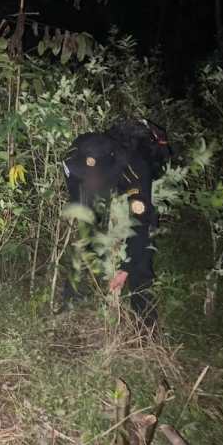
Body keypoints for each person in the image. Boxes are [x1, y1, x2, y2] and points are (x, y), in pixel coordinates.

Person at [61, 119, 171, 328]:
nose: (89, 180)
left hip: (138, 183)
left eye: (94, 176)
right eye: (87, 175)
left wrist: (125, 268)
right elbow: (79, 199)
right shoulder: (74, 157)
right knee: (87, 238)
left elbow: (140, 225)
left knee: (140, 257)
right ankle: (70, 305)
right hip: (108, 178)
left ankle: (146, 325)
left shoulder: (135, 169)